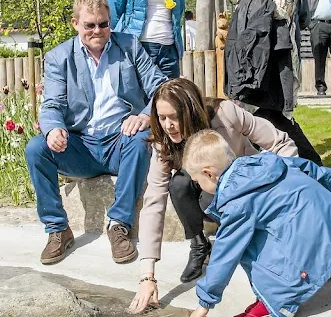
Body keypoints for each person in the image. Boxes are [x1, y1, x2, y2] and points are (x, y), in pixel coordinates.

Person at [128, 78, 299, 314]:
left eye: (174, 117)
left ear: (190, 111)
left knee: (213, 199)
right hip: (205, 192)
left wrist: (286, 185)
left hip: (242, 192)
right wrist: (147, 276)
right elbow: (153, 201)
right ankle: (199, 245)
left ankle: (242, 247)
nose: (168, 125)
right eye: (162, 118)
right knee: (178, 184)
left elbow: (281, 142)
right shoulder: (164, 142)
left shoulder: (226, 113)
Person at [25, 0, 167, 266]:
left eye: (103, 24)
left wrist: (145, 115)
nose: (98, 31)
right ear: (75, 23)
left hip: (120, 141)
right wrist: (53, 128)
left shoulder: (130, 47)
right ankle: (57, 229)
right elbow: (52, 104)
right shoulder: (59, 58)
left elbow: (160, 88)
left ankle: (119, 225)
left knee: (141, 139)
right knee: (36, 148)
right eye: (90, 25)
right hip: (80, 146)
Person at [183, 130, 331, 317]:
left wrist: (204, 303)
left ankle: (279, 297)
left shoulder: (236, 202)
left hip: (307, 236)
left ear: (208, 174)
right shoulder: (264, 161)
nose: (199, 187)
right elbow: (311, 169)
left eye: (197, 181)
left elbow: (225, 254)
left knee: (248, 246)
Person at [226, 0, 323, 166]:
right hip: (254, 55)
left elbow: (278, 9)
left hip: (274, 56)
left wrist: (246, 12)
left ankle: (313, 165)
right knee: (263, 113)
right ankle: (292, 165)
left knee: (273, 113)